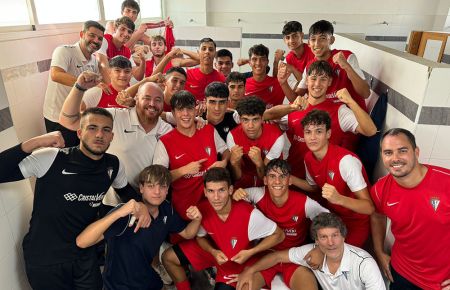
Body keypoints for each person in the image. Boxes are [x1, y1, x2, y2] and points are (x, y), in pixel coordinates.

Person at [0, 109, 150, 290]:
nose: (99, 134)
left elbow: (125, 191)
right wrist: (36, 142)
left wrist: (140, 204)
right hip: (46, 258)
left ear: (112, 136)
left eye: (106, 130)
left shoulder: (113, 165)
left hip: (84, 253)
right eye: (92, 128)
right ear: (80, 133)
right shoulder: (52, 158)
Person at [76, 165, 203, 290]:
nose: (157, 191)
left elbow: (187, 233)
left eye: (162, 186)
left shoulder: (166, 209)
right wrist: (118, 212)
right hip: (119, 285)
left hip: (148, 279)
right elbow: (82, 241)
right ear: (141, 188)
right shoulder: (126, 213)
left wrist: (197, 219)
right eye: (151, 186)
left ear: (167, 190)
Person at [161, 167, 285, 290]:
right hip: (216, 251)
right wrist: (213, 251)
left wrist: (251, 252)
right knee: (168, 257)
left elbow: (279, 235)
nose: (216, 197)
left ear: (230, 190)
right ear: (205, 192)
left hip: (236, 261)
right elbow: (200, 237)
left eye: (221, 190)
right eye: (210, 191)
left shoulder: (249, 215)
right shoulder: (202, 208)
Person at [59, 70, 172, 191]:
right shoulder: (115, 116)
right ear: (136, 99)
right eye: (147, 98)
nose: (152, 104)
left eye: (158, 100)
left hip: (145, 201)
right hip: (108, 201)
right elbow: (69, 121)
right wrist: (79, 87)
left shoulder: (166, 130)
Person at [264, 60, 376, 179]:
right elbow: (266, 115)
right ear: (306, 80)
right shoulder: (296, 106)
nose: (317, 84)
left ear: (329, 82)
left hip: (327, 183)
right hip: (294, 179)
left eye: (323, 79)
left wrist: (351, 101)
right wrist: (291, 107)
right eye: (313, 78)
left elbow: (371, 130)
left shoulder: (339, 110)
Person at [370, 128, 450, 290]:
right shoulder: (380, 189)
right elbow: (377, 216)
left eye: (402, 151)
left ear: (416, 152)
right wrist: (379, 251)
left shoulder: (446, 183)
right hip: (402, 273)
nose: (395, 158)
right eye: (388, 152)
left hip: (442, 281)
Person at [233, 159, 328, 290]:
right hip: (264, 256)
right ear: (265, 180)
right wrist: (235, 194)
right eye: (272, 176)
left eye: (282, 176)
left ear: (289, 180)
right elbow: (230, 199)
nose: (277, 181)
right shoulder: (258, 193)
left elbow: (329, 220)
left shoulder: (303, 202)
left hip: (293, 256)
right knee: (243, 286)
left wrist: (319, 248)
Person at [232, 212, 386, 290]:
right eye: (324, 237)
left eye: (335, 235)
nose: (331, 242)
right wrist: (250, 270)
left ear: (344, 236)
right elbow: (277, 256)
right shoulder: (311, 252)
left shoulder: (364, 264)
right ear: (317, 241)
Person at [300, 110, 375, 247]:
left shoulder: (346, 161)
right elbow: (313, 186)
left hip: (356, 222)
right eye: (308, 132)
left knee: (336, 257)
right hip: (332, 218)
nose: (313, 137)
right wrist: (289, 180)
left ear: (328, 134)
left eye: (318, 131)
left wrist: (339, 199)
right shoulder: (308, 157)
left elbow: (369, 208)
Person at [153, 90, 230, 221]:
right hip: (185, 210)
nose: (185, 114)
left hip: (214, 205)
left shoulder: (208, 130)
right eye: (180, 109)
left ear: (196, 110)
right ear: (173, 113)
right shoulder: (165, 142)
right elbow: (158, 179)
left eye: (189, 109)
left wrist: (224, 162)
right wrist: (183, 170)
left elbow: (226, 151)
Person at [43, 20, 108, 147]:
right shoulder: (64, 51)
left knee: (76, 152)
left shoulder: (94, 61)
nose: (96, 40)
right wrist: (84, 83)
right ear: (82, 34)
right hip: (56, 117)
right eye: (92, 35)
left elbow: (93, 88)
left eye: (100, 38)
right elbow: (55, 74)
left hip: (77, 117)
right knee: (61, 155)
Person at [296, 20, 370, 111]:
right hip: (328, 118)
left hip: (354, 116)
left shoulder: (346, 57)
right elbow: (296, 97)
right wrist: (283, 82)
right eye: (313, 39)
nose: (317, 44)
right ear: (308, 43)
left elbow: (365, 93)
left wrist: (347, 67)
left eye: (322, 38)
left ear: (331, 40)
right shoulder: (309, 66)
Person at [227, 96, 284, 188]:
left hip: (270, 179)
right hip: (245, 177)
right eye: (245, 120)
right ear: (240, 120)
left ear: (262, 119)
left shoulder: (276, 137)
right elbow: (237, 177)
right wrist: (233, 163)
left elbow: (265, 177)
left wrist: (259, 163)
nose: (250, 126)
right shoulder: (232, 136)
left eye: (255, 119)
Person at [98, 16, 145, 81]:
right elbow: (102, 65)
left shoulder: (127, 51)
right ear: (114, 29)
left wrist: (143, 60)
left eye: (129, 32)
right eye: (122, 29)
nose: (126, 34)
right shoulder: (104, 40)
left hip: (118, 86)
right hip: (102, 83)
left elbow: (138, 77)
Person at [184, 38, 226, 102]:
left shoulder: (221, 79)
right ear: (198, 52)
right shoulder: (188, 75)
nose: (207, 52)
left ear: (215, 54)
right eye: (204, 49)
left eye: (211, 49)